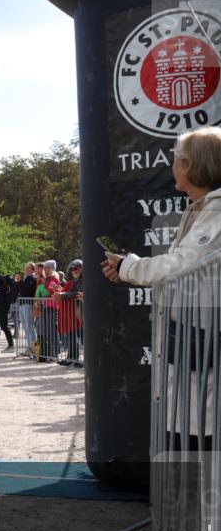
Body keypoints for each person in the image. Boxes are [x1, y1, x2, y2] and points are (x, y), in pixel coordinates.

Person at [102, 126, 221, 450]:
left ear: (193, 165)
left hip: (204, 339)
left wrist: (129, 267)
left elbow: (182, 264)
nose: (172, 166)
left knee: (200, 437)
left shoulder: (216, 209)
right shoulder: (203, 208)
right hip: (194, 336)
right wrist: (128, 267)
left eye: (177, 159)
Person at [57, 259, 84, 366]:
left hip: (82, 309)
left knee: (81, 336)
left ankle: (79, 360)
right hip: (77, 309)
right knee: (72, 334)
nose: (74, 271)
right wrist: (63, 293)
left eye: (76, 268)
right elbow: (71, 292)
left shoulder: (84, 279)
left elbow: (77, 293)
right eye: (72, 269)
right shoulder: (75, 280)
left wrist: (63, 295)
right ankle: (72, 357)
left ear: (82, 268)